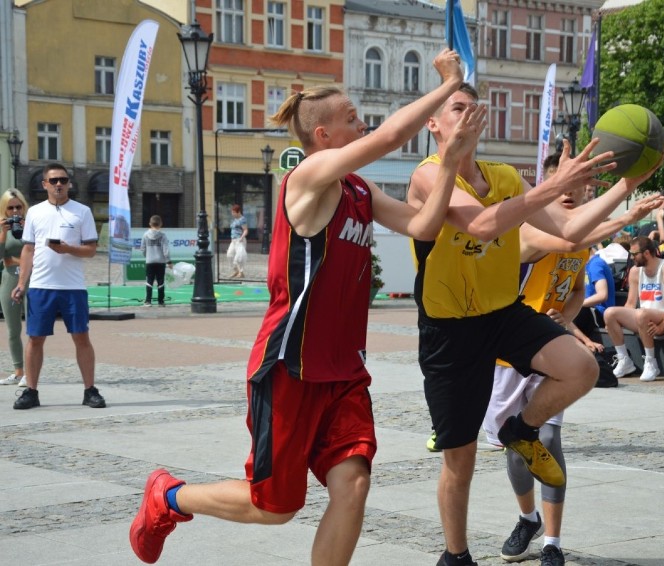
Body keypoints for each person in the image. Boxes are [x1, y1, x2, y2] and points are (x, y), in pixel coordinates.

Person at [129, 49, 487, 566]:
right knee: (275, 508)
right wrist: (448, 85)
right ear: (323, 136)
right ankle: (167, 495)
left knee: (354, 485)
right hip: (288, 368)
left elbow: (423, 225)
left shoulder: (359, 189)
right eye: (351, 119)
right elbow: (388, 138)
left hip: (342, 373)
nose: (362, 123)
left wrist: (450, 160)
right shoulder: (307, 181)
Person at [407, 81, 661, 566]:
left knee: (582, 368)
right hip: (450, 329)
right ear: (433, 124)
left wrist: (628, 185)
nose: (467, 115)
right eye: (456, 108)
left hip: (503, 313)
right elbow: (482, 225)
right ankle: (455, 555)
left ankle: (521, 431)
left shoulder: (503, 174)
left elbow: (568, 230)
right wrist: (554, 186)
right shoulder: (427, 176)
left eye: (472, 108)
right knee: (458, 460)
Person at [483, 154, 663, 566]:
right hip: (509, 352)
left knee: (547, 439)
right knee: (514, 446)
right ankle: (527, 518)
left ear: (587, 190)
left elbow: (577, 287)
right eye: (561, 184)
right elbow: (567, 240)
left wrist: (567, 315)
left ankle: (553, 542)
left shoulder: (583, 240)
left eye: (577, 187)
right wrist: (628, 210)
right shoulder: (529, 228)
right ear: (546, 187)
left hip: (551, 350)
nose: (568, 192)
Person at [11, 163, 104, 410]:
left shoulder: (82, 212)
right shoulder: (35, 213)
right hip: (41, 286)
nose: (59, 184)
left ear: (69, 183)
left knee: (81, 337)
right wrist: (21, 283)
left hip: (73, 287)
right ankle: (31, 391)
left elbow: (91, 249)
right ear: (45, 185)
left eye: (63, 180)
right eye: (53, 181)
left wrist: (69, 249)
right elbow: (28, 248)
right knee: (35, 339)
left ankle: (90, 390)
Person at [603, 236, 664, 382]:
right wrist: (615, 323)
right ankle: (624, 360)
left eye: (634, 254)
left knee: (642, 313)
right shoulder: (634, 271)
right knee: (610, 313)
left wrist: (663, 325)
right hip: (643, 318)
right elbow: (630, 303)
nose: (631, 257)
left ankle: (651, 362)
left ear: (646, 253)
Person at [0, 189, 29, 387]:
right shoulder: (2, 226)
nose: (15, 211)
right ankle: (18, 371)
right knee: (12, 328)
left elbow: (39, 250)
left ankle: (31, 372)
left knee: (33, 328)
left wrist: (28, 229)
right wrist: (3, 233)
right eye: (10, 208)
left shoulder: (32, 223)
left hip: (32, 278)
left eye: (18, 206)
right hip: (10, 277)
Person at [140, 215, 172, 307]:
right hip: (160, 262)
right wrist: (168, 261)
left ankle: (148, 301)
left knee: (149, 281)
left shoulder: (145, 235)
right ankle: (161, 301)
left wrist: (147, 256)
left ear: (150, 224)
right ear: (161, 224)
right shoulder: (163, 236)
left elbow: (142, 249)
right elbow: (166, 250)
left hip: (149, 261)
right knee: (161, 281)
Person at [226, 204, 248, 278]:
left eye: (234, 212)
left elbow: (245, 230)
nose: (232, 214)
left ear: (238, 212)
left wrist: (242, 237)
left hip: (239, 240)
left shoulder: (242, 219)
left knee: (239, 257)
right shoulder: (235, 220)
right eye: (232, 212)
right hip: (233, 240)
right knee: (229, 255)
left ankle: (241, 272)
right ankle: (236, 270)